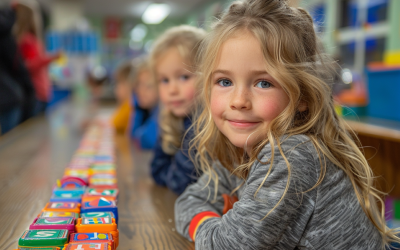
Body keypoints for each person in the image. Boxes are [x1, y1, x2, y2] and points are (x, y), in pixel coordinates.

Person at [175, 0, 398, 249]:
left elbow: (227, 245)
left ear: (302, 97)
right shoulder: (242, 151)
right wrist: (214, 223)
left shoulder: (291, 155)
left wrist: (211, 223)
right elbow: (189, 200)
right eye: (225, 82)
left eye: (263, 83)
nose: (238, 101)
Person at [150, 25, 206, 195]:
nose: (172, 90)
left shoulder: (202, 125)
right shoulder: (173, 118)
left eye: (184, 77)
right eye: (164, 80)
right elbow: (156, 171)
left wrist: (170, 175)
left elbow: (180, 183)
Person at [14, 0, 60, 115]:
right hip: (36, 91)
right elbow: (29, 65)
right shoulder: (27, 40)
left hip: (41, 91)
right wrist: (51, 58)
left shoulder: (30, 39)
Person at [0, 5, 35, 134]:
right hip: (10, 95)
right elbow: (19, 67)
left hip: (9, 95)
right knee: (10, 141)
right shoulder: (8, 37)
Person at [129, 57, 159, 150]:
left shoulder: (161, 112)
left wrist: (137, 108)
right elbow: (132, 135)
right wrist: (136, 108)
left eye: (148, 86)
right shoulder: (146, 111)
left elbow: (145, 140)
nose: (140, 91)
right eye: (138, 84)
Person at [112, 61, 134, 134]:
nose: (116, 88)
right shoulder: (126, 103)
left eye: (119, 83)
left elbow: (116, 123)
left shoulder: (130, 104)